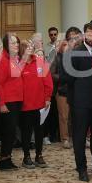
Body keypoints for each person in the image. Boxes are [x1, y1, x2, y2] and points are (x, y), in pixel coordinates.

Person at [64, 22, 92, 182]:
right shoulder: (76, 52)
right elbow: (68, 79)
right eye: (89, 33)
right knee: (79, 137)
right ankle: (82, 168)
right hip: (80, 102)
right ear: (84, 35)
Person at [19, 40, 53, 168]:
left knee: (39, 131)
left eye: (31, 46)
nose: (31, 48)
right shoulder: (18, 64)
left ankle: (39, 155)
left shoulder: (40, 61)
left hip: (40, 104)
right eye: (28, 47)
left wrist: (47, 98)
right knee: (26, 132)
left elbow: (48, 82)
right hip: (25, 106)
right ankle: (26, 156)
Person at [0, 33, 23, 171]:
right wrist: (2, 103)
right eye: (12, 43)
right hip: (8, 101)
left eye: (17, 42)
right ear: (6, 45)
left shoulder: (15, 59)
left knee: (12, 133)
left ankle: (7, 158)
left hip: (17, 100)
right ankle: (3, 161)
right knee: (8, 132)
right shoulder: (2, 60)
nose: (16, 45)